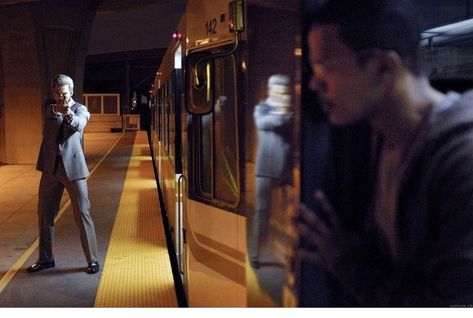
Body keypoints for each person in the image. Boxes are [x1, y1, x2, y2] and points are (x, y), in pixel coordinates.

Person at [296, 0, 473, 306]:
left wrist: (350, 264)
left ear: (382, 68)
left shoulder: (462, 159)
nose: (314, 83)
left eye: (325, 65)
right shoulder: (384, 140)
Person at [27, 74, 99, 274]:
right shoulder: (49, 108)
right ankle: (45, 259)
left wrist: (68, 114)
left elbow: (79, 124)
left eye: (64, 93)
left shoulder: (80, 110)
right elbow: (48, 113)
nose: (61, 97)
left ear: (72, 92)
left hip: (74, 170)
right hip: (50, 169)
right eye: (57, 93)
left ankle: (92, 259)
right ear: (53, 92)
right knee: (44, 215)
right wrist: (57, 110)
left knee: (82, 213)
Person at [250, 74, 293, 269]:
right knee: (262, 213)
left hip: (285, 171)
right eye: (278, 91)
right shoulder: (262, 109)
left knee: (289, 214)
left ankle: (289, 253)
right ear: (271, 91)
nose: (282, 95)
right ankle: (255, 255)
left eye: (285, 92)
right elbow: (265, 124)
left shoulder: (288, 112)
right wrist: (282, 111)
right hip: (265, 171)